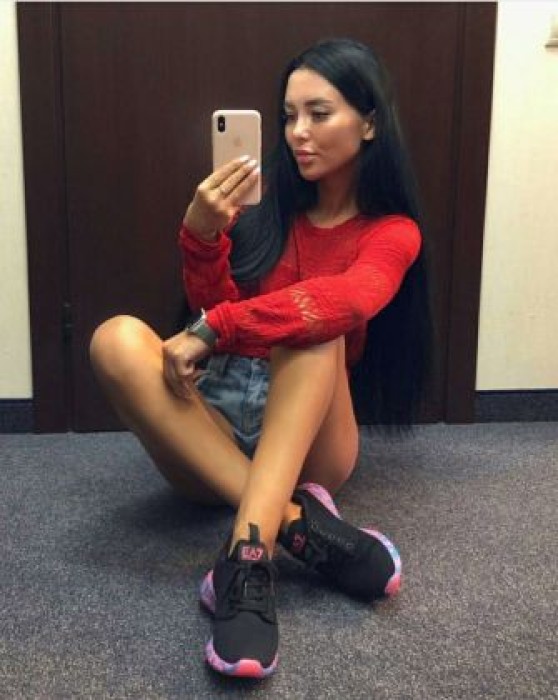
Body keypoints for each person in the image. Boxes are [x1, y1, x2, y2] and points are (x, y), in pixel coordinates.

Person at [90, 37, 431, 679]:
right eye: (288, 115)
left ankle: (247, 559)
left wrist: (215, 326)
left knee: (317, 321)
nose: (297, 132)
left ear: (369, 122)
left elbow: (346, 301)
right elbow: (214, 308)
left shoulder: (393, 232)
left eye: (319, 113)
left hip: (312, 430)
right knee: (115, 338)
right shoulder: (264, 201)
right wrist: (201, 234)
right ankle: (298, 525)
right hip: (219, 418)